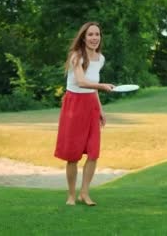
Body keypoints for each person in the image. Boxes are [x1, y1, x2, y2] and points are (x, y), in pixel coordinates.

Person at [54, 21, 114, 206]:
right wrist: (102, 86)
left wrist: (100, 110)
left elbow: (92, 89)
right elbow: (81, 82)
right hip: (74, 105)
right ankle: (71, 195)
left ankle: (84, 193)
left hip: (91, 106)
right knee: (73, 154)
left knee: (93, 153)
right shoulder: (76, 56)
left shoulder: (100, 58)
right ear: (83, 37)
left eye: (97, 34)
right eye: (90, 34)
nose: (94, 38)